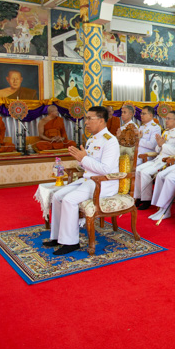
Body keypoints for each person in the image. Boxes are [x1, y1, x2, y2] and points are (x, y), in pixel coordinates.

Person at [43, 106, 120, 255]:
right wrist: (80, 159)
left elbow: (105, 169)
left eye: (90, 118)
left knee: (69, 200)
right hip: (88, 179)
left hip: (103, 183)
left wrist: (83, 158)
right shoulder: (92, 139)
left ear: (101, 121)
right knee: (57, 196)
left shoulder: (110, 141)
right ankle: (58, 237)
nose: (86, 122)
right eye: (86, 118)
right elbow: (86, 163)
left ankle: (71, 242)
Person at [133, 110, 175, 210]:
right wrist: (159, 145)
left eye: (169, 119)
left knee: (145, 173)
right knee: (138, 170)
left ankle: (146, 200)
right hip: (158, 158)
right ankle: (138, 197)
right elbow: (157, 149)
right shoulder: (165, 132)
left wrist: (163, 145)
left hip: (167, 161)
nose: (166, 121)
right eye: (166, 118)